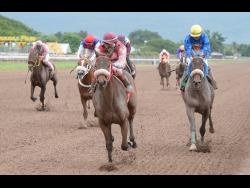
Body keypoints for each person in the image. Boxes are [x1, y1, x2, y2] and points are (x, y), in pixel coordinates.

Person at [90, 32, 133, 97]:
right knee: (97, 71)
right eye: (105, 43)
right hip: (105, 63)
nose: (106, 45)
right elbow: (95, 59)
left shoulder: (121, 47)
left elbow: (122, 62)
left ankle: (127, 84)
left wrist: (112, 65)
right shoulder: (100, 47)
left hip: (117, 63)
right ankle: (92, 87)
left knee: (118, 71)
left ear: (114, 43)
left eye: (108, 44)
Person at [180, 24, 218, 91]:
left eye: (197, 36)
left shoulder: (205, 37)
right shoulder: (188, 38)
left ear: (200, 33)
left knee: (206, 65)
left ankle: (211, 81)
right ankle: (183, 83)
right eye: (194, 36)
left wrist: (202, 54)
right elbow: (188, 48)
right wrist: (191, 55)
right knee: (188, 65)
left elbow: (206, 47)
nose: (196, 38)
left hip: (202, 53)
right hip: (192, 54)